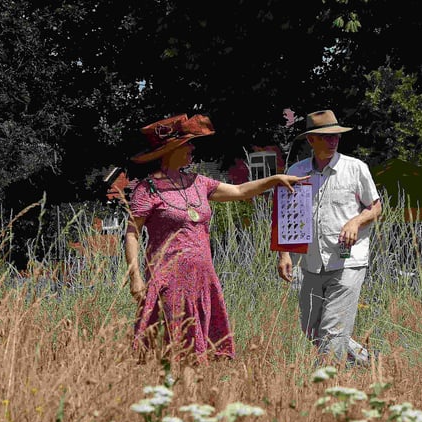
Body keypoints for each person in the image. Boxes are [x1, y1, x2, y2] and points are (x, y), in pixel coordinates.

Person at [125, 113, 308, 362]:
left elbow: (241, 190)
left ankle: (192, 394)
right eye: (187, 144)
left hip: (203, 278)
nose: (192, 148)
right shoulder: (148, 189)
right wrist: (135, 276)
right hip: (167, 278)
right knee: (171, 344)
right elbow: (132, 232)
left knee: (198, 349)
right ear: (171, 150)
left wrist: (274, 179)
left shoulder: (199, 182)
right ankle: (170, 391)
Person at [277, 109, 382, 366]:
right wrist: (284, 254)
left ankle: (326, 384)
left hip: (348, 261)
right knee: (311, 327)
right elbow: (286, 214)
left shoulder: (356, 168)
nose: (333, 141)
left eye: (336, 136)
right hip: (311, 261)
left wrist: (356, 221)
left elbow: (376, 207)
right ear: (311, 140)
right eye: (326, 137)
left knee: (332, 330)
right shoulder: (296, 171)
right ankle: (369, 361)